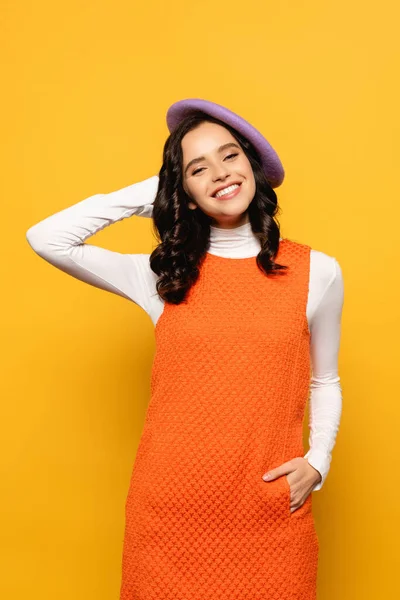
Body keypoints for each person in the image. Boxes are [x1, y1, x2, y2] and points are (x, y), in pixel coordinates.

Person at [26, 98, 344, 599]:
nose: (221, 173)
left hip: (267, 509)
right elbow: (47, 238)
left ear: (253, 165)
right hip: (168, 517)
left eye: (230, 155)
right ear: (185, 192)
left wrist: (319, 460)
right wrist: (152, 192)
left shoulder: (316, 271)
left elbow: (324, 379)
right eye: (198, 169)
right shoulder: (161, 277)